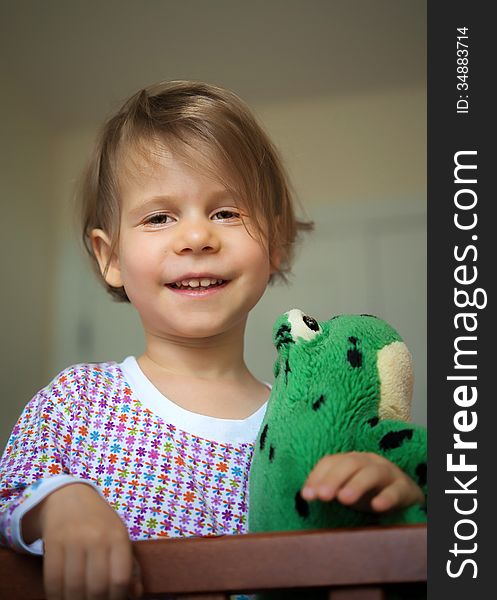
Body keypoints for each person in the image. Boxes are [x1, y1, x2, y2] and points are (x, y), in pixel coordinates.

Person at [0, 81, 425, 600]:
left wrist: (392, 510)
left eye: (226, 212)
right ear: (109, 257)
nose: (198, 237)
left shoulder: (308, 421)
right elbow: (10, 491)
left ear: (275, 243)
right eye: (159, 217)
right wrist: (60, 502)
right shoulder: (76, 403)